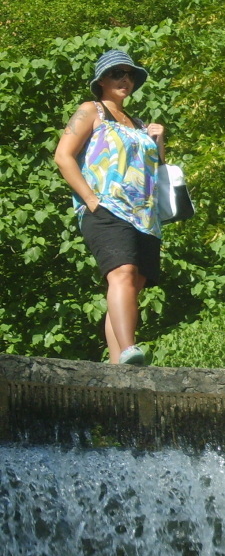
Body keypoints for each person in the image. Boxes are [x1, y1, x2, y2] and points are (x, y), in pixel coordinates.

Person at [53, 48, 166, 365]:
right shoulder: (90, 110)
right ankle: (130, 348)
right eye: (118, 73)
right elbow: (63, 157)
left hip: (145, 215)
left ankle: (119, 366)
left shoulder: (139, 123)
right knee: (122, 273)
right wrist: (91, 200)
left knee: (132, 285)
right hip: (106, 208)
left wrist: (158, 142)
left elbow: (158, 172)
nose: (125, 79)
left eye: (129, 74)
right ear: (101, 80)